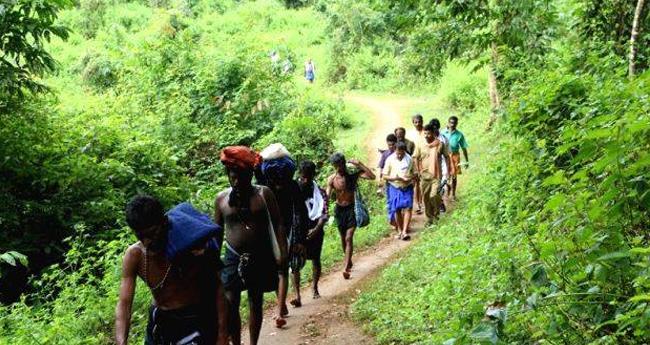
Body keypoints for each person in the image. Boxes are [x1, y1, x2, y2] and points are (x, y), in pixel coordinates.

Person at [115, 195, 228, 345]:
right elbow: (124, 303)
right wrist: (121, 341)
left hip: (196, 319)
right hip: (161, 323)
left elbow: (218, 289)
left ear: (164, 222)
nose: (147, 241)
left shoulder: (192, 247)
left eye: (151, 233)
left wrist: (222, 335)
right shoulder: (135, 255)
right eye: (140, 236)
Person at [214, 146, 288, 345]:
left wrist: (282, 251)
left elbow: (279, 223)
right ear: (228, 175)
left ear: (250, 175)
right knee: (231, 304)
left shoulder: (264, 195)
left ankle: (253, 343)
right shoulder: (221, 200)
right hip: (232, 256)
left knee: (255, 301)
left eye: (241, 176)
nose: (236, 181)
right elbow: (216, 233)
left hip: (259, 255)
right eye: (233, 176)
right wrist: (212, 262)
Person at [260, 155, 308, 325]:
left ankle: (280, 310)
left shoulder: (293, 187)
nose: (279, 181)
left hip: (289, 232)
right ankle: (282, 304)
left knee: (282, 269)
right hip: (270, 232)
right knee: (275, 270)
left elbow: (302, 212)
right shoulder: (266, 188)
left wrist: (300, 239)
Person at [327, 153, 375, 279]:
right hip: (339, 210)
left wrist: (360, 164)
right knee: (343, 238)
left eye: (341, 165)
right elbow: (326, 197)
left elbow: (372, 176)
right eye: (336, 166)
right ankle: (349, 260)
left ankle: (346, 267)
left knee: (349, 238)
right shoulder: (332, 179)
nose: (339, 168)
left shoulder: (352, 175)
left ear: (344, 163)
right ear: (334, 166)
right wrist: (324, 211)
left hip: (351, 209)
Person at [296, 161, 329, 299]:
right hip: (298, 231)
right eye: (303, 177)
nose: (306, 180)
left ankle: (315, 288)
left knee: (316, 258)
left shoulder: (320, 192)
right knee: (295, 262)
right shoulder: (294, 192)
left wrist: (315, 229)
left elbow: (325, 213)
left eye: (309, 177)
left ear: (313, 175)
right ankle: (297, 295)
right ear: (300, 175)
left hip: (316, 229)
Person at [414, 124, 452, 226]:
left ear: (433, 133)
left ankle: (436, 215)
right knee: (426, 198)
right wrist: (418, 170)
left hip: (436, 175)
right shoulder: (420, 144)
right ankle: (429, 219)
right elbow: (416, 158)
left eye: (428, 133)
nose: (426, 135)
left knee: (434, 195)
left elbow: (447, 157)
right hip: (424, 176)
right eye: (425, 133)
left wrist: (448, 171)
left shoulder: (440, 144)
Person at [382, 142, 415, 240]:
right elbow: (384, 175)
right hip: (395, 186)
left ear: (404, 151)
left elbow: (415, 173)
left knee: (408, 208)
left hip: (407, 186)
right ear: (395, 151)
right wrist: (394, 178)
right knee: (397, 209)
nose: (399, 155)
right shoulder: (390, 159)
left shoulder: (409, 159)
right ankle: (400, 230)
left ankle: (405, 231)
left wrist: (409, 178)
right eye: (398, 153)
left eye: (401, 153)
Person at [442, 116, 469, 200]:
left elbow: (464, 148)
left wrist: (467, 160)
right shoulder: (443, 132)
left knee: (454, 175)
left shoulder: (459, 135)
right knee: (445, 173)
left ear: (457, 124)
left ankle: (453, 194)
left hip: (455, 156)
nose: (452, 124)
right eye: (451, 122)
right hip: (445, 155)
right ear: (448, 122)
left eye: (454, 123)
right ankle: (447, 186)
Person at [429, 118, 450, 213]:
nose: (434, 130)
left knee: (440, 186)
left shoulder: (444, 139)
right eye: (432, 128)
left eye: (435, 128)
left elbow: (447, 155)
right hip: (430, 166)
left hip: (441, 166)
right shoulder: (428, 139)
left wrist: (449, 169)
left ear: (438, 128)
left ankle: (440, 203)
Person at [407, 114, 425, 214]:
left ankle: (423, 201)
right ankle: (418, 203)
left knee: (424, 182)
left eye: (419, 121)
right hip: (414, 160)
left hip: (425, 159)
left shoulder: (426, 131)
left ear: (422, 121)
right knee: (416, 182)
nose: (418, 124)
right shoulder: (410, 134)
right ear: (413, 123)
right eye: (415, 122)